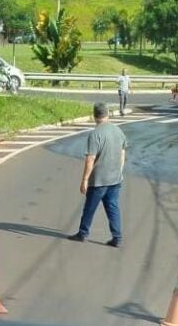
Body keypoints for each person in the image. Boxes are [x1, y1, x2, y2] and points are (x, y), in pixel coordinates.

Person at [68, 102, 127, 248]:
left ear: (95, 116)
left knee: (89, 207)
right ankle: (117, 237)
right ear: (107, 113)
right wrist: (120, 170)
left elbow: (90, 158)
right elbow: (123, 152)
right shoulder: (118, 131)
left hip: (99, 179)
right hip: (115, 178)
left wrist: (85, 179)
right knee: (113, 207)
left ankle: (83, 233)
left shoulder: (96, 134)